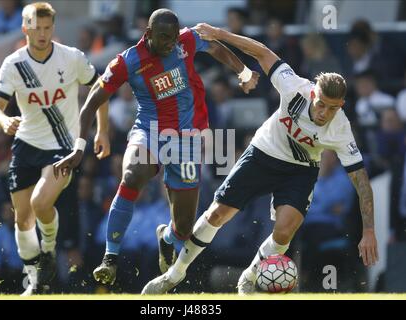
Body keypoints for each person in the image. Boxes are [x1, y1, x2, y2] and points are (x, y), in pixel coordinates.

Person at [142, 23, 379, 295]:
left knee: (285, 231)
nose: (325, 112)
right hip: (263, 152)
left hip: (300, 170)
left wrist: (369, 230)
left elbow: (361, 181)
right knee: (218, 214)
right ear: (313, 93)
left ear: (342, 106)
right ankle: (175, 274)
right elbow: (261, 51)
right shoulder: (294, 87)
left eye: (333, 108)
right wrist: (220, 35)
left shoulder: (341, 129)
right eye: (322, 104)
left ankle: (250, 276)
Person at [53, 9, 258, 287]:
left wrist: (243, 71)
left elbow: (214, 47)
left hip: (187, 138)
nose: (170, 44)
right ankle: (110, 257)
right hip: (149, 131)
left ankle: (168, 238)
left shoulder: (186, 40)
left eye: (173, 38)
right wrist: (80, 147)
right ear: (148, 34)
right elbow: (91, 101)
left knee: (184, 228)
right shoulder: (127, 61)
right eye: (163, 38)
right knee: (133, 174)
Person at [0, 2, 109, 295]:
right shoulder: (14, 64)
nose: (41, 33)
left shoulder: (71, 58)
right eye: (35, 27)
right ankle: (33, 281)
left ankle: (49, 251)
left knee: (41, 203)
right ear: (24, 27)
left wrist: (102, 130)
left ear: (53, 28)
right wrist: (4, 122)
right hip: (26, 145)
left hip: (63, 147)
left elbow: (101, 89)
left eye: (46, 27)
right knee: (22, 219)